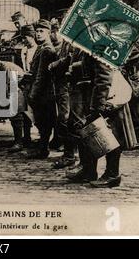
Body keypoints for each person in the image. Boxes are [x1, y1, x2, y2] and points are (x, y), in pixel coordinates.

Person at [65, 48, 124, 188]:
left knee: (107, 136)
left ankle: (112, 174)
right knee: (89, 133)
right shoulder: (93, 44)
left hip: (104, 98)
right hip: (95, 95)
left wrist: (97, 107)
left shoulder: (101, 46)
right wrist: (78, 67)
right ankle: (88, 171)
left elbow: (104, 77)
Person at [0, 52, 28, 152]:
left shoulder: (4, 67)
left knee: (16, 116)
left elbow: (8, 85)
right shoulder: (0, 66)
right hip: (19, 88)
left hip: (19, 89)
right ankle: (24, 140)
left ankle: (19, 143)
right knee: (22, 116)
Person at [48, 18, 77, 168]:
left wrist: (55, 64)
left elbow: (69, 59)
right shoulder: (67, 40)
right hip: (63, 84)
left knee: (66, 118)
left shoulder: (72, 40)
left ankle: (70, 154)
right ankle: (69, 152)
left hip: (68, 85)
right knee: (65, 118)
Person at [27, 20, 57, 159]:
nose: (38, 34)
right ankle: (42, 147)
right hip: (42, 91)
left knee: (44, 121)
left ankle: (43, 149)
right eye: (37, 31)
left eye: (41, 32)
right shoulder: (41, 48)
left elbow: (41, 75)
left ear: (49, 33)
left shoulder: (47, 49)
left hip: (44, 92)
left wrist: (33, 94)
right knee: (42, 120)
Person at [123, 33, 139, 150]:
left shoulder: (138, 42)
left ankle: (138, 140)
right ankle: (129, 139)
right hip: (127, 78)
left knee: (134, 110)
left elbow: (137, 56)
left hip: (133, 80)